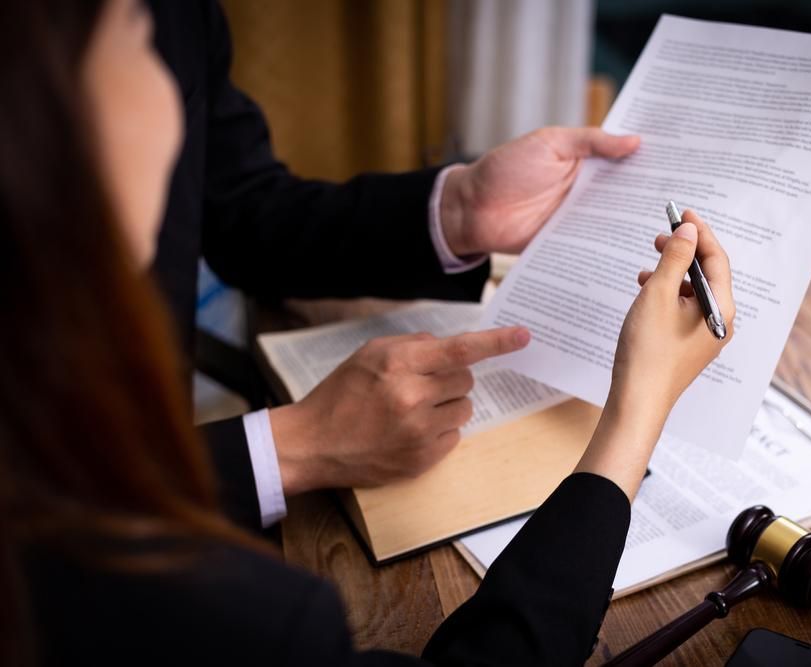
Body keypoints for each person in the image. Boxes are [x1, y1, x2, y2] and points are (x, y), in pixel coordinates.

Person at [0, 0, 734, 664]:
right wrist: (636, 415)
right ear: (36, 113)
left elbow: (241, 206)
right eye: (132, 31)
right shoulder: (236, 618)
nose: (166, 83)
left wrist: (458, 210)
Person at [146, 0, 648, 531]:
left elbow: (241, 212)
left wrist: (463, 208)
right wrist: (293, 444)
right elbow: (48, 500)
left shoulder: (178, 13)